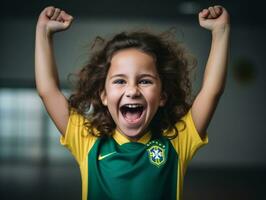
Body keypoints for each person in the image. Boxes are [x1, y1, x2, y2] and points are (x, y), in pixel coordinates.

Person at [35, 5, 230, 200]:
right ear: (103, 95)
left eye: (145, 81)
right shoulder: (88, 142)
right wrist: (43, 33)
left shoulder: (177, 142)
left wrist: (220, 32)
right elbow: (48, 91)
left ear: (162, 96)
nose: (132, 91)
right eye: (120, 81)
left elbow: (211, 92)